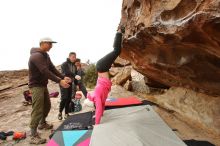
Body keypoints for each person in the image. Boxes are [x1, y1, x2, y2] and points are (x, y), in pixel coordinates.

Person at [28, 37, 71, 144]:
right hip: (36, 86)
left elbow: (52, 68)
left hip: (43, 85)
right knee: (37, 109)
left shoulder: (46, 55)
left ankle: (42, 123)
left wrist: (62, 77)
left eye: (52, 44)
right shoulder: (36, 56)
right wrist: (59, 81)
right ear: (42, 43)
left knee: (47, 106)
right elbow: (44, 71)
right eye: (49, 43)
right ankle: (32, 135)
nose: (51, 46)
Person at [84, 26, 125, 125]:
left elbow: (98, 109)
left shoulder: (97, 96)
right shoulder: (98, 97)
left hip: (101, 66)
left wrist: (97, 123)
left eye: (95, 106)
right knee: (116, 51)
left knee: (116, 51)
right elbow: (101, 107)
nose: (96, 106)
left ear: (93, 103)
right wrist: (100, 114)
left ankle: (119, 31)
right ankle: (120, 34)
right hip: (102, 67)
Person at [58, 52, 78, 120]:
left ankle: (66, 114)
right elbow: (67, 72)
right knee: (64, 98)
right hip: (63, 83)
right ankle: (60, 113)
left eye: (75, 57)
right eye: (73, 57)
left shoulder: (74, 66)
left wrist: (76, 84)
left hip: (70, 84)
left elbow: (75, 76)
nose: (74, 58)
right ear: (69, 57)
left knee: (69, 99)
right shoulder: (64, 64)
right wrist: (75, 75)